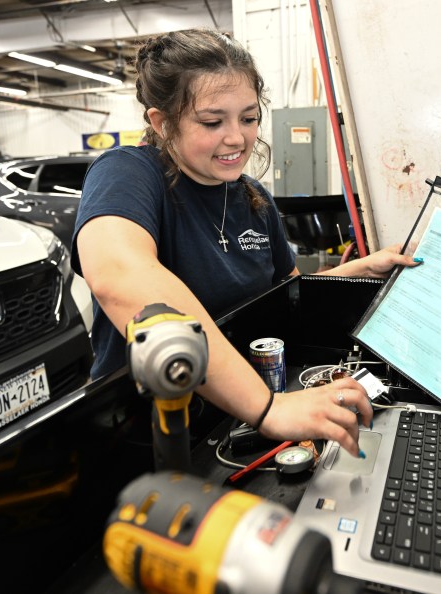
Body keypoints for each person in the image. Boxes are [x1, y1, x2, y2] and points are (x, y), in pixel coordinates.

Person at [72, 29, 420, 458]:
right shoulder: (128, 173)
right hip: (153, 437)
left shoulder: (252, 198)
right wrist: (268, 408)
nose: (237, 137)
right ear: (163, 123)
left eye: (249, 118)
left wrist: (361, 270)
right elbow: (120, 277)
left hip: (232, 424)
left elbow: (289, 294)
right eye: (213, 122)